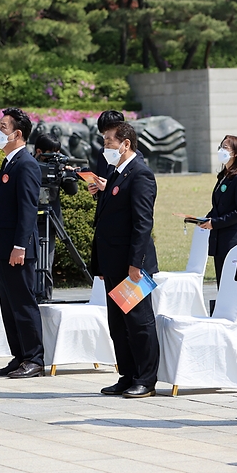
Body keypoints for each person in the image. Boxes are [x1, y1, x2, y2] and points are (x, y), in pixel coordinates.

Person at [91, 122, 160, 398]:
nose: (105, 146)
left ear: (125, 144)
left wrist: (136, 263)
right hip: (112, 262)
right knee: (118, 323)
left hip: (131, 265)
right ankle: (127, 374)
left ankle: (146, 378)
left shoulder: (140, 174)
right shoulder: (118, 173)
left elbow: (143, 223)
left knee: (138, 323)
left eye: (109, 141)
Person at [0, 108, 45, 378]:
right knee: (8, 306)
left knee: (22, 303)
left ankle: (34, 358)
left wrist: (20, 246)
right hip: (2, 247)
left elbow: (28, 209)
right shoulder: (9, 162)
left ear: (17, 134)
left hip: (16, 249)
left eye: (2, 127)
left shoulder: (26, 164)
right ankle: (19, 355)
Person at [200, 135, 237, 342]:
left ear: (236, 152)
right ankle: (228, 322)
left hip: (232, 239)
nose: (221, 150)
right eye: (221, 146)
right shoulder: (224, 175)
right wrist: (205, 218)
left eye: (226, 147)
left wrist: (216, 222)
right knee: (223, 284)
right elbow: (219, 206)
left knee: (235, 286)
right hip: (219, 238)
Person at [32, 133, 79, 301]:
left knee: (46, 264)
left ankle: (45, 296)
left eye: (58, 153)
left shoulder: (59, 166)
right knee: (31, 264)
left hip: (50, 220)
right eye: (52, 153)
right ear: (39, 151)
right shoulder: (28, 165)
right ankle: (31, 297)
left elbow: (72, 191)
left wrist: (68, 176)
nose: (56, 157)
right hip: (30, 221)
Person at [88, 110, 145, 198]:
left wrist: (108, 187)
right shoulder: (102, 153)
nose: (105, 137)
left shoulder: (135, 157)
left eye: (109, 132)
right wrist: (96, 190)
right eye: (103, 134)